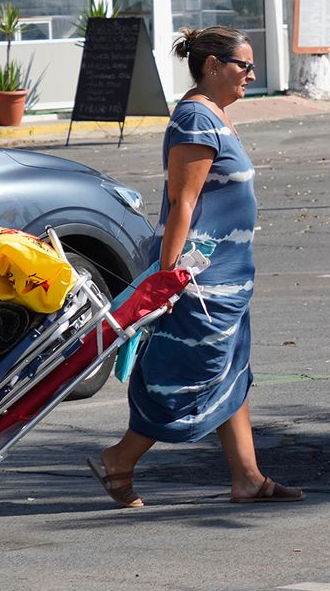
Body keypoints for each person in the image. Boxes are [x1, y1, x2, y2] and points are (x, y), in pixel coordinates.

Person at [88, 26, 304, 507]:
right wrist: (167, 279)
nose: (251, 74)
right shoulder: (195, 121)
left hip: (228, 278)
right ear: (211, 65)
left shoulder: (214, 115)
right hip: (198, 280)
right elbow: (181, 204)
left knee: (230, 372)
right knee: (191, 373)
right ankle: (121, 458)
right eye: (243, 66)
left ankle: (247, 479)